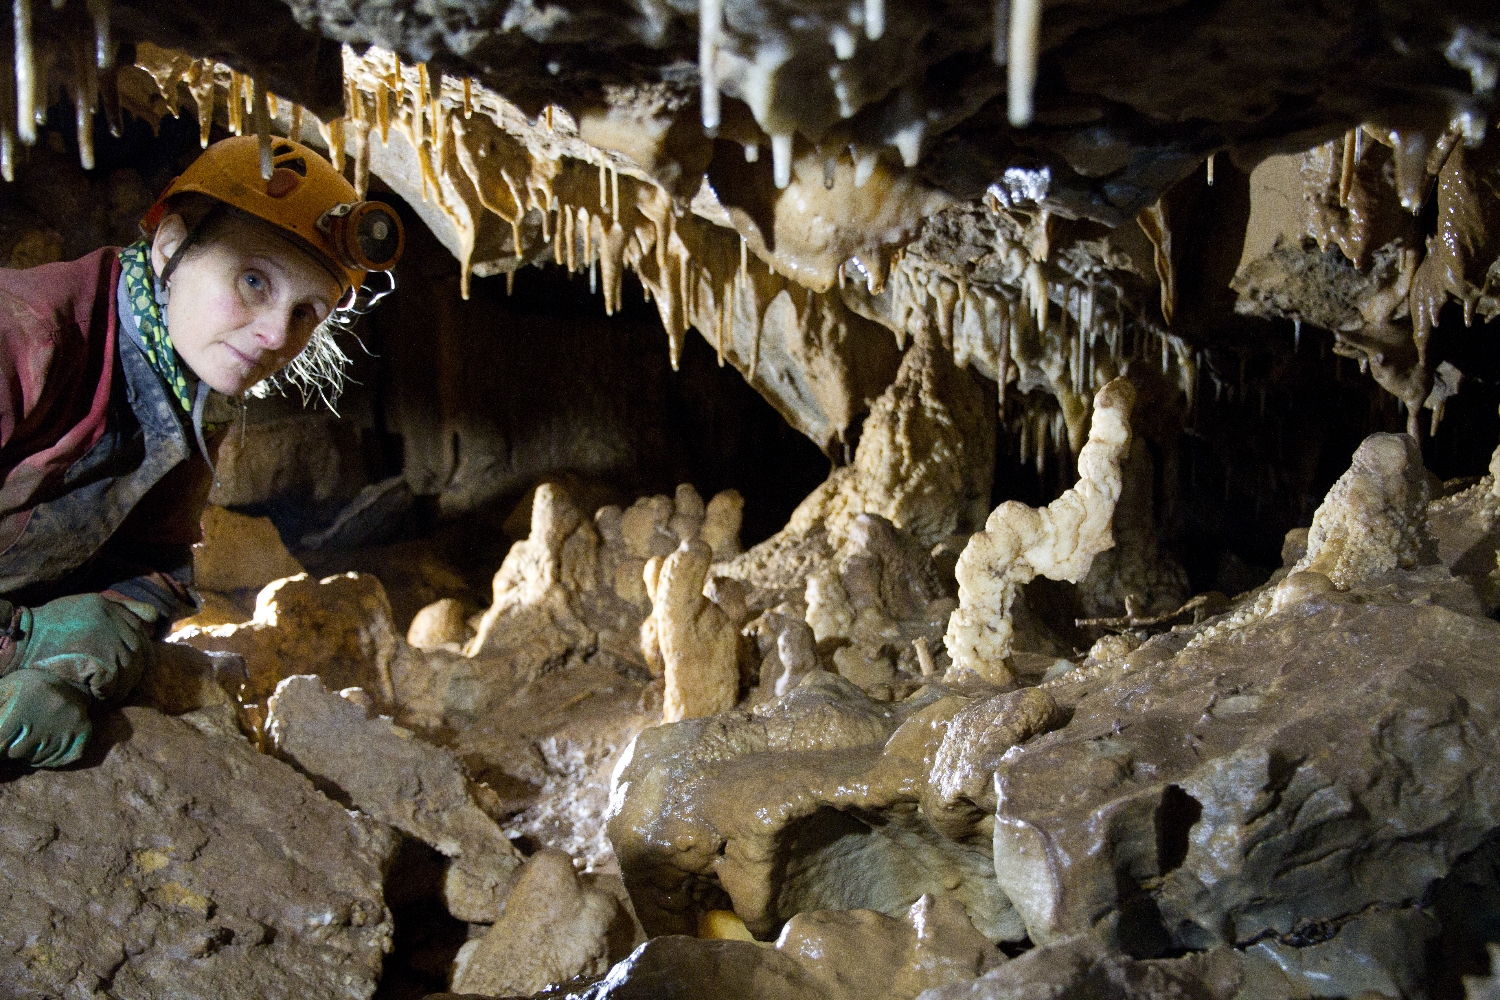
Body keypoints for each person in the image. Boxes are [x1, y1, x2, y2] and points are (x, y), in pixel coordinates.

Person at [0, 135, 404, 767]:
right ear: (170, 246)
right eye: (253, 280)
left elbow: (155, 562)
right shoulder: (27, 335)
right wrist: (20, 644)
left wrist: (98, 641)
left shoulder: (179, 395)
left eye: (307, 313)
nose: (277, 333)